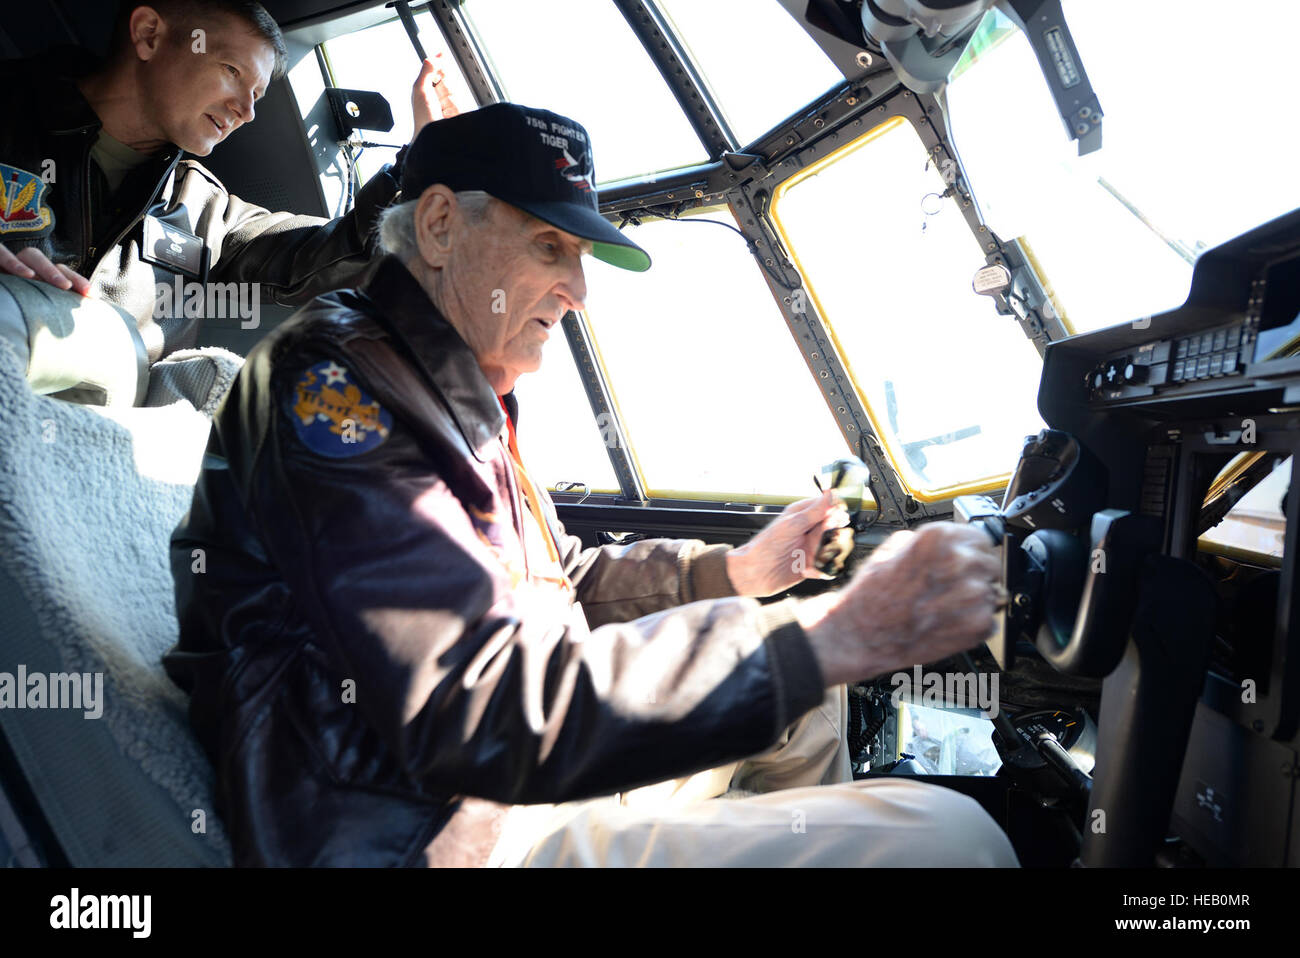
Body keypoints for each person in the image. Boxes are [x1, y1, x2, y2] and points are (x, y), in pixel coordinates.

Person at [163, 101, 1018, 868]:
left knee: (797, 698)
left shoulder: (459, 393)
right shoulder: (329, 386)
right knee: (956, 841)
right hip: (436, 835)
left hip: (529, 776)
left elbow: (558, 579)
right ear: (437, 226)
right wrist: (837, 631)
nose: (578, 292)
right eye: (550, 246)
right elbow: (479, 707)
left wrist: (734, 578)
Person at [0, 0, 457, 363]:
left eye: (257, 95)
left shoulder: (204, 211)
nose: (248, 110)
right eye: (233, 71)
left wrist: (420, 160)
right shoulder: (11, 109)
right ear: (148, 35)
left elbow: (330, 254)